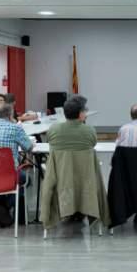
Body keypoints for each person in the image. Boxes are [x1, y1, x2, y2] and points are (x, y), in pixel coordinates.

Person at [42, 95, 110, 226]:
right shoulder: (89, 131)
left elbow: (50, 142)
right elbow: (93, 143)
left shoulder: (54, 130)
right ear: (80, 114)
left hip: (60, 180)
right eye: (85, 111)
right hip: (86, 181)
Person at [0, 102, 33, 227]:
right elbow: (28, 147)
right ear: (10, 114)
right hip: (9, 174)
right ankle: (13, 214)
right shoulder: (15, 128)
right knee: (25, 179)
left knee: (6, 180)